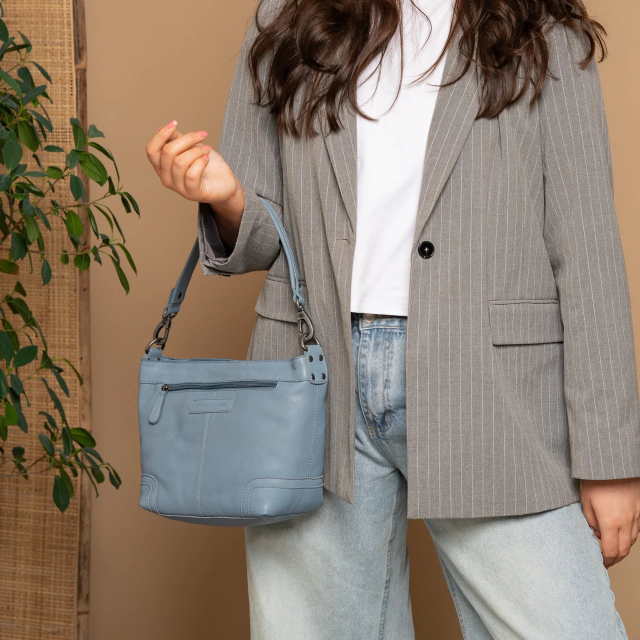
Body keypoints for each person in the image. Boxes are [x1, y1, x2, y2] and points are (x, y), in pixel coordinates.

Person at [145, 0, 640, 637]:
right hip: (314, 386)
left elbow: (588, 245)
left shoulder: (540, 26)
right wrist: (227, 198)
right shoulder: (290, 15)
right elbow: (269, 237)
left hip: (495, 387)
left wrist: (611, 459)